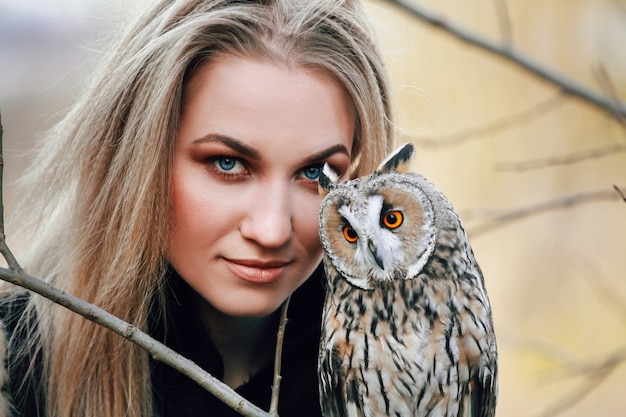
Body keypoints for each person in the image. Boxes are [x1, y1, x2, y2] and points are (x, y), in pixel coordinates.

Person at [0, 0, 395, 416]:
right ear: (139, 157)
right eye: (228, 163)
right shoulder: (15, 366)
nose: (273, 230)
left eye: (316, 172)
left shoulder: (416, 375)